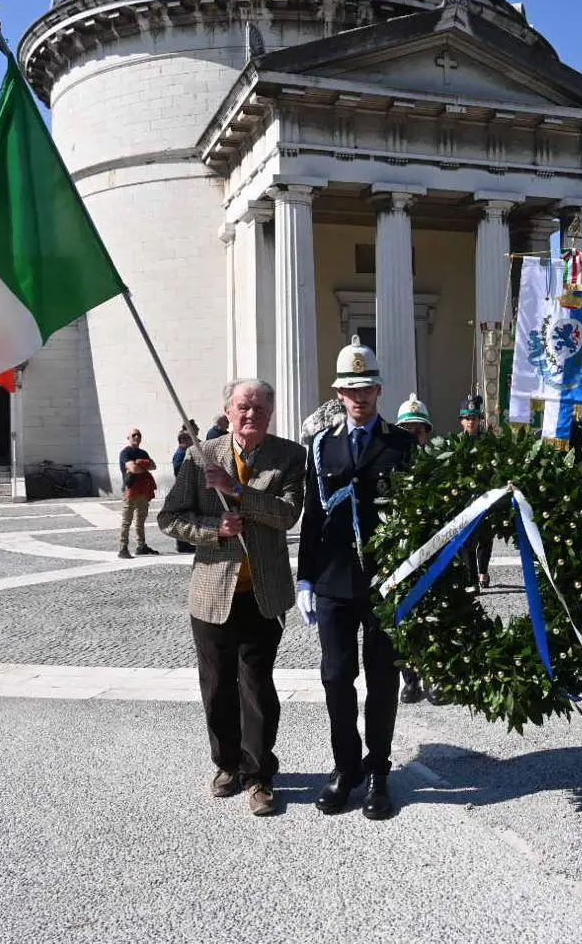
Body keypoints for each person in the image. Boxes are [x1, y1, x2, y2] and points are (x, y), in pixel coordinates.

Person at [158, 379, 305, 817]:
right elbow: (170, 517)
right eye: (243, 407)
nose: (251, 415)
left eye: (260, 408)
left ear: (271, 412)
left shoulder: (289, 456)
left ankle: (259, 775)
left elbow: (287, 514)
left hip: (263, 593)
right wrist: (213, 529)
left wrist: (238, 491)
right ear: (228, 410)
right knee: (217, 685)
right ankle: (226, 765)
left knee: (258, 687)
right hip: (211, 595)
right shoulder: (200, 457)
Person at [296, 337, 416, 820]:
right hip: (333, 581)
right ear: (338, 394)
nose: (359, 396)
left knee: (383, 680)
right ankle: (346, 767)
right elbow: (312, 515)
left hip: (385, 582)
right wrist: (305, 578)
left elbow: (419, 519)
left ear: (379, 390)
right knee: (335, 678)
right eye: (351, 388)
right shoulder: (322, 445)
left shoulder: (402, 444)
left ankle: (379, 770)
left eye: (367, 387)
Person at [394, 392, 435, 706]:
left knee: (437, 617)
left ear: (426, 432)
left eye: (417, 430)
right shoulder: (390, 466)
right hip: (400, 554)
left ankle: (436, 677)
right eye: (406, 430)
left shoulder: (439, 463)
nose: (412, 435)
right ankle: (411, 679)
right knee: (403, 620)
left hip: (436, 552)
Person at [458, 394, 494, 590]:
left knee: (485, 538)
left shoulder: (487, 442)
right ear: (462, 421)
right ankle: (472, 579)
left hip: (486, 495)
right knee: (466, 540)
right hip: (465, 499)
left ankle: (483, 572)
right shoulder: (456, 443)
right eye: (467, 418)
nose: (471, 422)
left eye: (474, 418)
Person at [116, 428, 159, 558]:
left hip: (143, 490)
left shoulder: (143, 452)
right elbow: (133, 468)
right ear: (128, 437)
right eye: (133, 435)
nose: (136, 437)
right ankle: (123, 548)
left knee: (141, 519)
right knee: (127, 520)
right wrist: (142, 466)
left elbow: (153, 466)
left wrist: (140, 465)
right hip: (131, 489)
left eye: (139, 435)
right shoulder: (125, 452)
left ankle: (141, 546)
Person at [171, 430, 197, 553]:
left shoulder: (184, 453)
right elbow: (179, 472)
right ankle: (182, 545)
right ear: (185, 440)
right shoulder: (180, 454)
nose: (194, 441)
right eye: (192, 439)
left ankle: (185, 544)